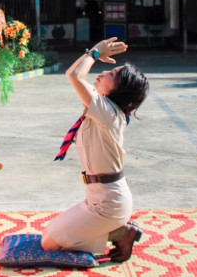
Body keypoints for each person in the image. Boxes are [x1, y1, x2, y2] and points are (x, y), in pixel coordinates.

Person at [41, 37, 149, 262]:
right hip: (97, 197)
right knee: (48, 234)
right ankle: (120, 232)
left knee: (49, 244)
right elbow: (72, 73)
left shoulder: (108, 112)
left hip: (110, 204)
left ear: (120, 89)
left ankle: (121, 233)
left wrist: (94, 54)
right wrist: (92, 52)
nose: (104, 72)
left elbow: (75, 76)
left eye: (112, 75)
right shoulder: (102, 106)